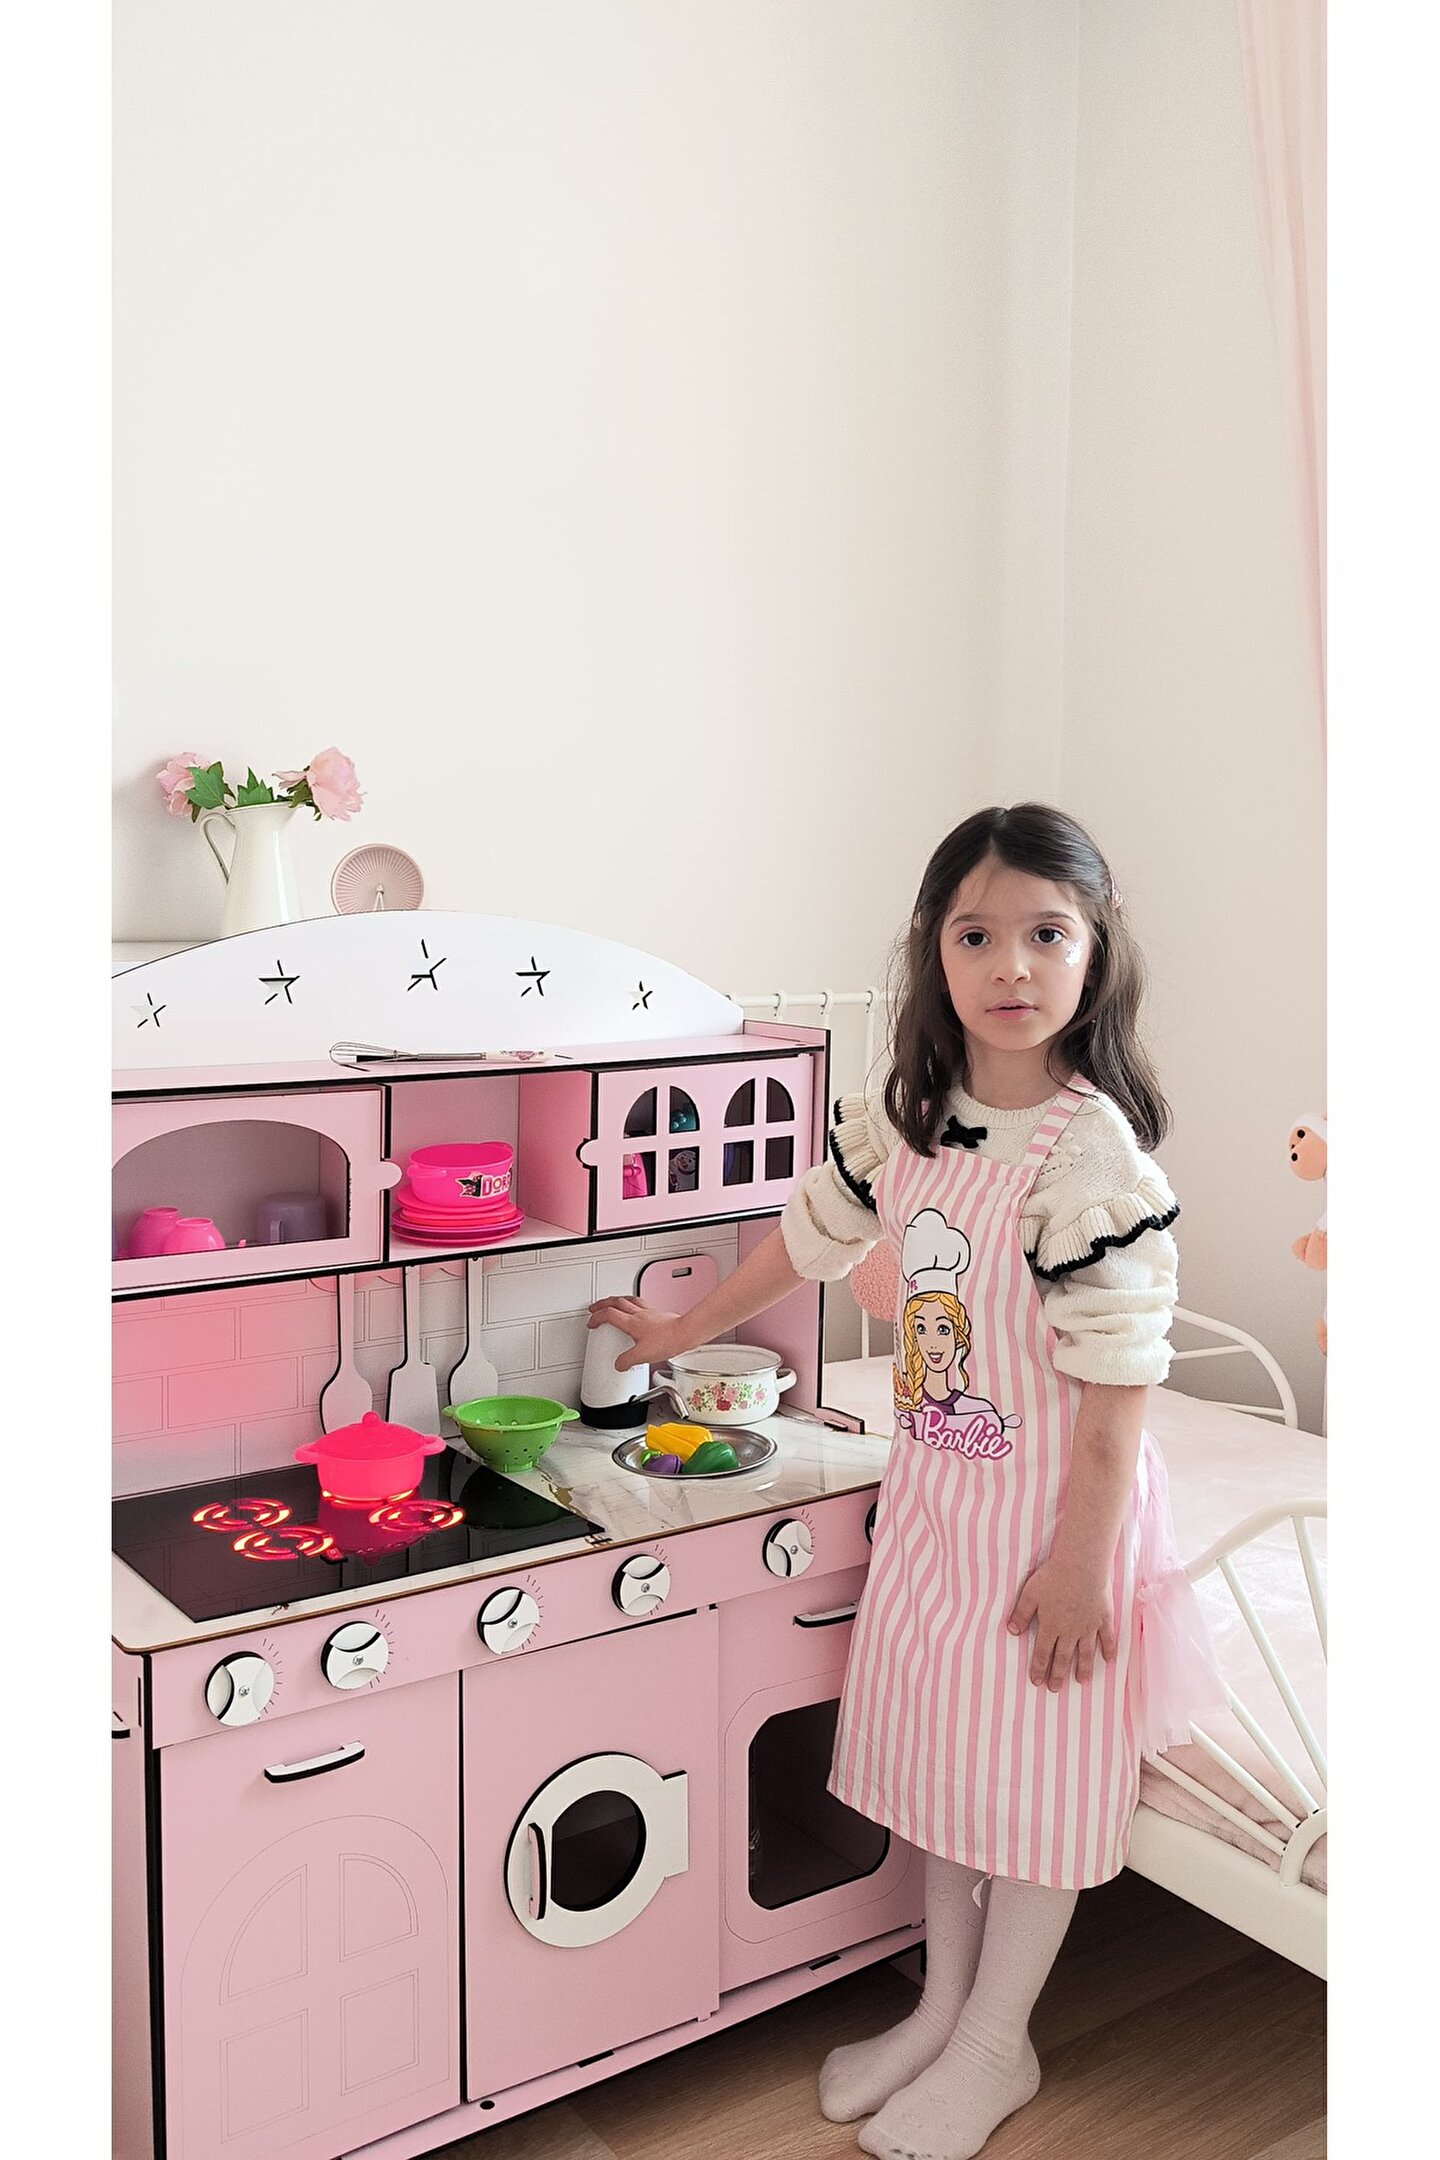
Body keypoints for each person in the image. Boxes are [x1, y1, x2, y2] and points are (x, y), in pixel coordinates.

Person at [588, 803, 1224, 2160]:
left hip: (1055, 1520)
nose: (1012, 966)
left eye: (1046, 934)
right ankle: (941, 2011)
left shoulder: (1095, 1161)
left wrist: (1080, 1566)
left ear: (1096, 952)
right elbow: (804, 1242)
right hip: (940, 1502)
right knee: (945, 1762)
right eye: (976, 934)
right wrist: (680, 1331)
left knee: (1036, 1788)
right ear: (935, 948)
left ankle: (998, 2043)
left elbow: (1120, 1397)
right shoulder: (910, 1120)